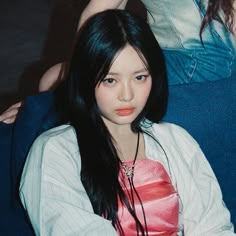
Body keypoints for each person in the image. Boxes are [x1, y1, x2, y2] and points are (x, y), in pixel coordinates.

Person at [19, 9, 234, 235]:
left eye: (140, 77)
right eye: (110, 80)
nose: (127, 95)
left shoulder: (176, 140)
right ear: (86, 79)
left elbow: (214, 226)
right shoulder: (56, 150)